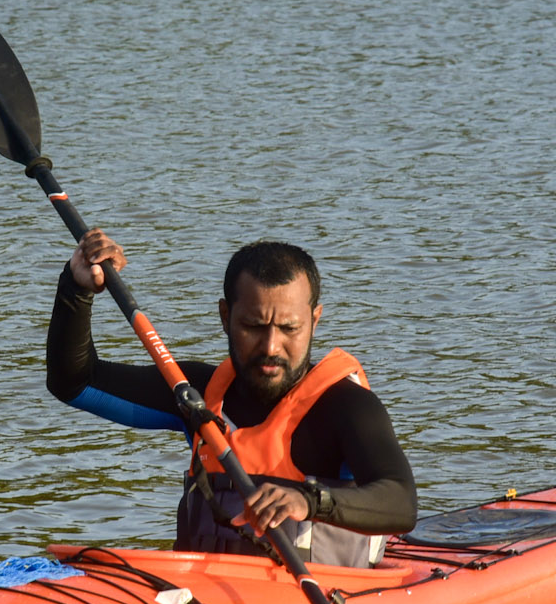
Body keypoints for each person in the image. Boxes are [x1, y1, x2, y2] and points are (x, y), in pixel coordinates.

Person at [46, 230, 417, 566]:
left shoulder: (345, 407)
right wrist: (76, 288)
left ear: (314, 320)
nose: (272, 346)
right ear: (226, 316)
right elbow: (75, 382)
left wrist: (308, 500)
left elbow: (400, 502)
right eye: (253, 326)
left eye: (290, 328)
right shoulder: (193, 393)